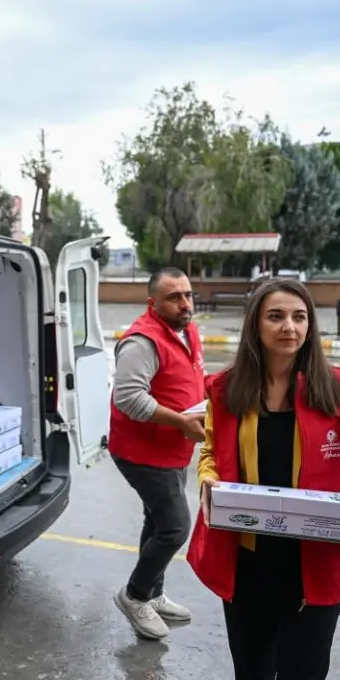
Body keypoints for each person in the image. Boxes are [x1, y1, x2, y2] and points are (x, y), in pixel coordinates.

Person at [186, 278, 340, 680]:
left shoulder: (334, 389)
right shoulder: (229, 389)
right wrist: (209, 482)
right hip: (248, 558)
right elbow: (210, 451)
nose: (288, 326)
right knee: (253, 672)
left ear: (311, 325)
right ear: (255, 323)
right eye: (276, 316)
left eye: (299, 316)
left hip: (311, 561)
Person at [108, 266, 208, 640]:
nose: (185, 303)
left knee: (157, 519)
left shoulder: (186, 331)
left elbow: (192, 378)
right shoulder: (142, 342)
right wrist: (181, 423)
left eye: (188, 294)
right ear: (153, 303)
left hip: (173, 449)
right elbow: (129, 398)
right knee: (175, 525)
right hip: (142, 451)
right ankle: (134, 596)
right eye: (174, 297)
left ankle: (153, 593)